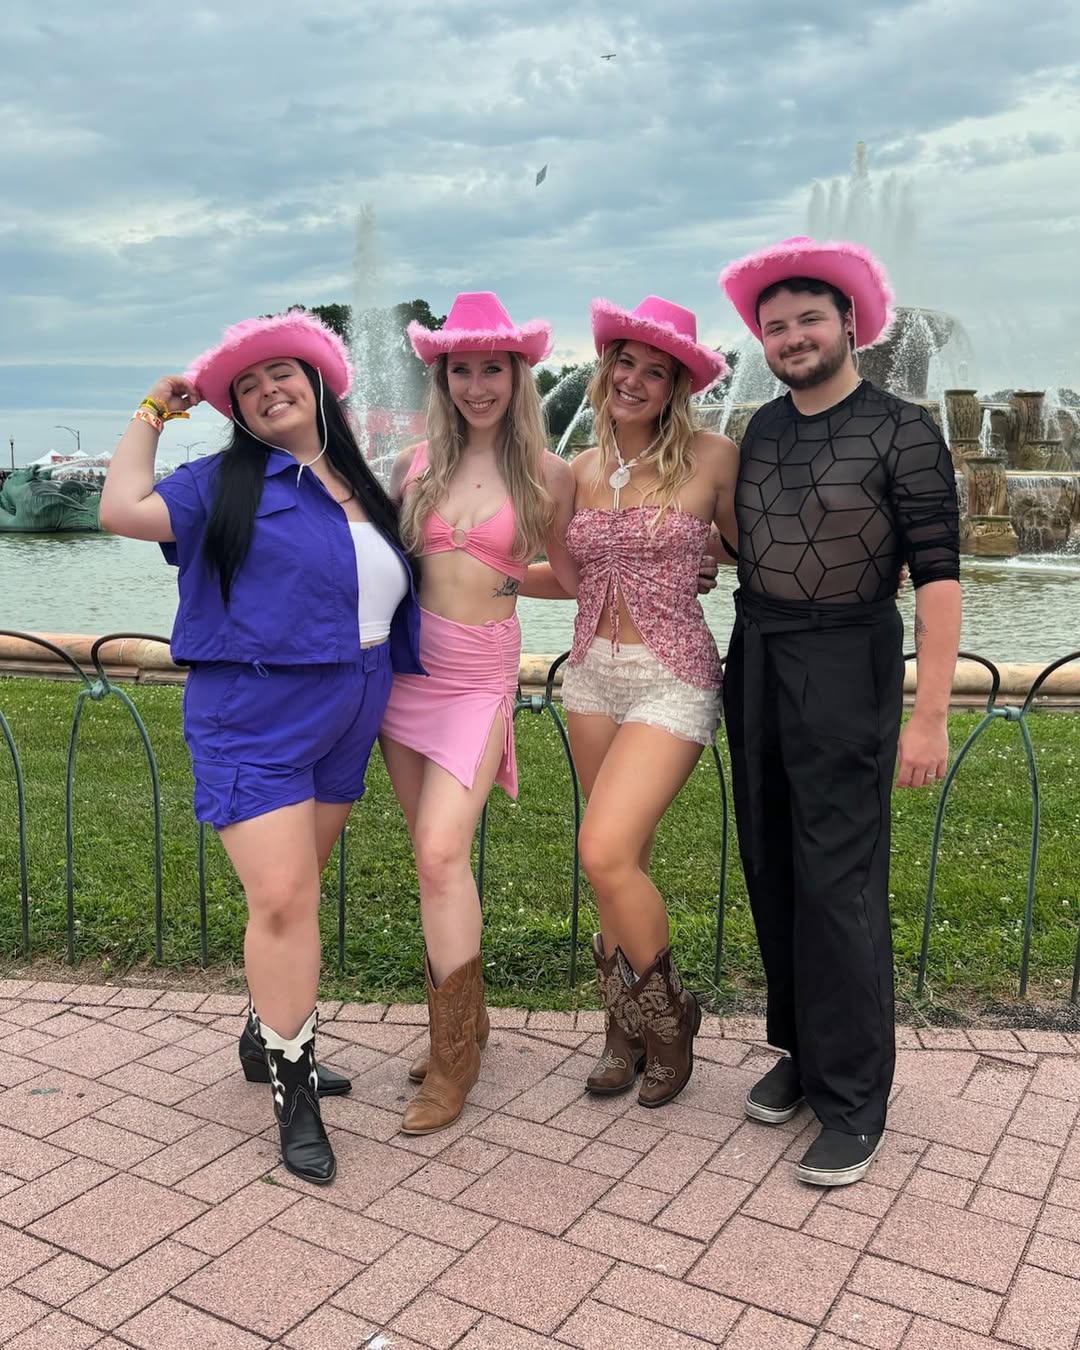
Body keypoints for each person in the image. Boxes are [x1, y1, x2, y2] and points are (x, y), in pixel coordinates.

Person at [99, 312, 423, 1185]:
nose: (266, 389)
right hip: (254, 712)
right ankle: (294, 1092)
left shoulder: (365, 484)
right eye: (245, 385)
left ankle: (262, 1034)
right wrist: (152, 410)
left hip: (352, 705)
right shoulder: (221, 483)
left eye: (281, 372)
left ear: (315, 383)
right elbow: (121, 509)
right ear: (236, 410)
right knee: (283, 899)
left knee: (296, 889)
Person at [717, 236, 961, 1186]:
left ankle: (855, 1095)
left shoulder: (906, 431)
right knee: (771, 858)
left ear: (849, 323)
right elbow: (758, 540)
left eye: (808, 319)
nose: (791, 337)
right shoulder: (760, 429)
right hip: (757, 656)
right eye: (775, 326)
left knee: (839, 878)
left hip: (848, 661)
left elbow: (938, 579)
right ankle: (802, 1051)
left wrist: (928, 714)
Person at [523, 296, 738, 1108]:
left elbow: (755, 543)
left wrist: (709, 556)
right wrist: (481, 577)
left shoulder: (713, 457)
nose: (634, 380)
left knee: (603, 850)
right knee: (621, 864)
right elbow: (571, 579)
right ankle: (622, 1027)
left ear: (678, 386)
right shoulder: (574, 471)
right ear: (605, 368)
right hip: (592, 674)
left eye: (656, 370)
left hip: (672, 673)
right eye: (625, 363)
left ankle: (670, 1020)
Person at [380, 292, 577, 1135]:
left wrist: (510, 579)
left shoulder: (548, 476)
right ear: (444, 379)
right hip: (407, 676)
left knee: (439, 851)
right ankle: (469, 1020)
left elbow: (570, 576)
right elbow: (382, 562)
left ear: (516, 375)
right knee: (431, 861)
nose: (476, 385)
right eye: (460, 370)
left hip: (477, 679)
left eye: (491, 368)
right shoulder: (413, 465)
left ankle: (453, 1058)